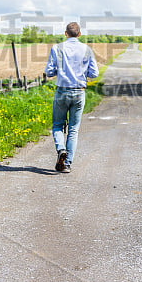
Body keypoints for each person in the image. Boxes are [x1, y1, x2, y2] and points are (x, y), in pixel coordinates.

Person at [44, 22, 99, 173]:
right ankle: (67, 164)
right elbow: (94, 73)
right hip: (79, 91)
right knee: (73, 129)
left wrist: (60, 72)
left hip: (62, 91)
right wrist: (81, 73)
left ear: (65, 33)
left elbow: (48, 72)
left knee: (57, 125)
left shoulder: (57, 48)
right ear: (79, 34)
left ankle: (61, 149)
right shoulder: (87, 50)